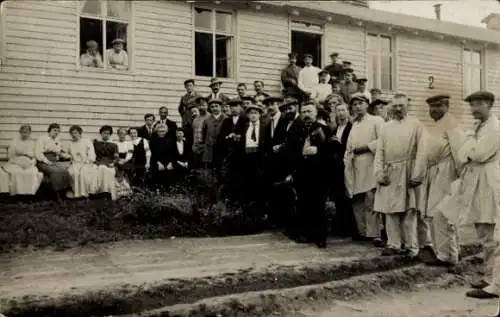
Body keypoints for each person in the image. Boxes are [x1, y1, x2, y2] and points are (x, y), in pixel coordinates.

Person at [443, 91, 500, 299]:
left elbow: (478, 154)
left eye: (478, 105)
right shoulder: (477, 127)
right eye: (472, 105)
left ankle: (497, 284)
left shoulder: (494, 127)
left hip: (489, 184)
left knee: (494, 236)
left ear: (489, 104)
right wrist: (468, 148)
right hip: (476, 184)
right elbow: (461, 154)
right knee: (484, 235)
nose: (473, 109)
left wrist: (468, 148)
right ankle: (489, 277)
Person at [374, 93, 427, 257]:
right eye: (395, 105)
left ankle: (412, 246)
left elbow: (422, 151)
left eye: (401, 106)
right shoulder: (386, 127)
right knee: (390, 210)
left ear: (407, 106)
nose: (397, 109)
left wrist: (417, 173)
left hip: (408, 170)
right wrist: (379, 173)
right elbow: (380, 152)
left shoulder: (416, 125)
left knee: (409, 211)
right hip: (390, 171)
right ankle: (393, 244)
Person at [419, 94, 465, 267]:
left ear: (446, 106)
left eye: (438, 106)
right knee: (434, 213)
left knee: (443, 213)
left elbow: (460, 154)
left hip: (448, 173)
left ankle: (448, 256)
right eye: (431, 107)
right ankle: (445, 253)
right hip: (435, 172)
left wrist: (458, 179)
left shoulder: (452, 125)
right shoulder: (438, 126)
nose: (433, 110)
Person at [287, 101, 331, 248]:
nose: (306, 115)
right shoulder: (296, 129)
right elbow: (291, 150)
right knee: (303, 204)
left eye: (309, 112)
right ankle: (307, 234)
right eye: (304, 112)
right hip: (301, 174)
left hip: (319, 175)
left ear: (316, 113)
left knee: (318, 206)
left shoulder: (324, 128)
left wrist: (319, 151)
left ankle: (321, 237)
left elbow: (333, 151)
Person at [344, 94, 384, 246]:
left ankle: (375, 234)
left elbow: (383, 140)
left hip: (371, 163)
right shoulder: (354, 124)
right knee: (357, 199)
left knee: (371, 199)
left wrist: (366, 147)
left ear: (367, 105)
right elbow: (349, 146)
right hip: (355, 166)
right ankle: (362, 232)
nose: (357, 107)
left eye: (360, 103)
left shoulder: (376, 121)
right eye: (354, 104)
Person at [330, 102, 356, 238]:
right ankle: (341, 225)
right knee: (339, 196)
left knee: (348, 196)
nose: (340, 113)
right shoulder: (335, 128)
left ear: (348, 112)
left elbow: (351, 145)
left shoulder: (351, 127)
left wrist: (340, 144)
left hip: (348, 163)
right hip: (337, 165)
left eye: (343, 110)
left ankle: (349, 227)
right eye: (338, 111)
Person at [0, 124, 43, 196]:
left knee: (31, 173)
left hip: (28, 163)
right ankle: (17, 193)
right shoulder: (14, 142)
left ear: (30, 133)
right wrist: (18, 163)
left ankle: (29, 194)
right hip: (15, 162)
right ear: (20, 132)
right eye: (23, 132)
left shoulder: (32, 143)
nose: (25, 134)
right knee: (17, 173)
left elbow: (35, 156)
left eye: (27, 132)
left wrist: (31, 163)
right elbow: (11, 156)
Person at [35, 123, 71, 200]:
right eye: (54, 130)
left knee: (65, 171)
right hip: (43, 162)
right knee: (55, 172)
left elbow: (59, 153)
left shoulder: (57, 140)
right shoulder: (42, 139)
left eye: (58, 131)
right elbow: (38, 154)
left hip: (54, 162)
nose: (56, 132)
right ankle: (56, 195)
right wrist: (47, 162)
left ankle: (64, 193)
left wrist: (69, 156)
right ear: (49, 130)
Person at [66, 125, 97, 199]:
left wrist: (87, 161)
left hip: (87, 163)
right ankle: (77, 193)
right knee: (75, 172)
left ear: (80, 133)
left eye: (76, 133)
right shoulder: (71, 144)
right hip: (75, 163)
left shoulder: (87, 141)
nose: (74, 135)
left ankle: (85, 193)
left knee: (83, 172)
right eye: (72, 133)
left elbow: (91, 154)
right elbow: (69, 155)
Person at [93, 125, 119, 199]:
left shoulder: (114, 145)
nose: (106, 135)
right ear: (101, 133)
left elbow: (116, 157)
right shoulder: (96, 144)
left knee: (106, 170)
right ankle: (96, 192)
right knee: (95, 170)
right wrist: (95, 162)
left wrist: (113, 163)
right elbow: (92, 155)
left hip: (109, 162)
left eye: (108, 133)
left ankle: (107, 192)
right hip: (98, 161)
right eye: (104, 133)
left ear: (110, 135)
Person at [201, 99, 227, 168]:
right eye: (212, 107)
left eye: (216, 106)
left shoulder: (226, 119)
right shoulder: (206, 121)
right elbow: (204, 135)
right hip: (210, 150)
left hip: (222, 150)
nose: (214, 108)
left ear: (220, 107)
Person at [149, 123, 171, 192]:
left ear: (166, 131)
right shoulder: (153, 141)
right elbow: (153, 154)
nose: (161, 133)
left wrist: (170, 163)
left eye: (163, 131)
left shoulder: (170, 141)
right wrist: (159, 163)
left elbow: (172, 153)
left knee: (169, 170)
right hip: (156, 161)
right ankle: (156, 188)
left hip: (167, 161)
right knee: (155, 169)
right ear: (157, 132)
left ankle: (166, 188)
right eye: (159, 131)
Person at [191, 96, 210, 168]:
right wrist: (194, 145)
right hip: (196, 148)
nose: (201, 107)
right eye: (199, 105)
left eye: (203, 105)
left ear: (207, 106)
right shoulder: (195, 119)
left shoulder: (210, 118)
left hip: (206, 149)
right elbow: (194, 133)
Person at [115, 127, 133, 198]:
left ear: (126, 135)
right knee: (116, 169)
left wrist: (125, 160)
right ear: (118, 134)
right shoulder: (115, 143)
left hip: (127, 160)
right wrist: (118, 160)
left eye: (124, 134)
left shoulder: (129, 143)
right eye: (120, 134)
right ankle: (118, 190)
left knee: (127, 169)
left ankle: (128, 190)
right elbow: (115, 153)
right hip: (117, 159)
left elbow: (130, 153)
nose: (122, 135)